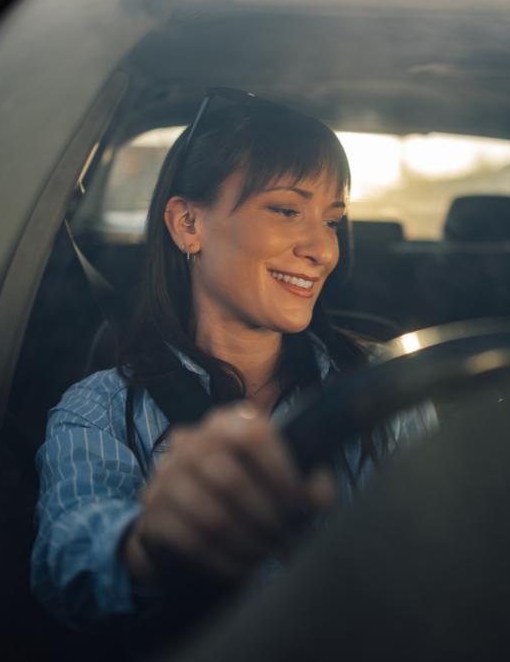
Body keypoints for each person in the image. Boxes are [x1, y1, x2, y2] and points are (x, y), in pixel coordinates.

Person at [30, 89, 435, 629]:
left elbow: (445, 551)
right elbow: (69, 559)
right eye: (287, 210)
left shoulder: (387, 387)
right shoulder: (101, 410)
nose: (324, 250)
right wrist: (150, 544)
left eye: (333, 220)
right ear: (188, 225)